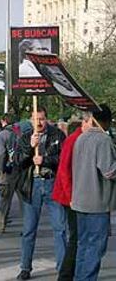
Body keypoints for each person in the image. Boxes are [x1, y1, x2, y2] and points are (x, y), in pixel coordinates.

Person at [16, 107, 67, 280]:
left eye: (42, 119)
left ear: (47, 119)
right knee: (29, 229)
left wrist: (45, 160)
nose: (39, 122)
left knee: (60, 228)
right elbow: (17, 162)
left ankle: (63, 269)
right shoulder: (25, 137)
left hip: (52, 183)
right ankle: (25, 267)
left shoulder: (58, 135)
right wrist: (30, 148)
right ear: (30, 120)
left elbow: (64, 159)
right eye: (35, 119)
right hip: (33, 184)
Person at [71, 105, 116, 281]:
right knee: (95, 248)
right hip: (96, 202)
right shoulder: (103, 140)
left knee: (83, 245)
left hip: (80, 199)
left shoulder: (81, 138)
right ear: (106, 121)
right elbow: (109, 171)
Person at [52, 115, 89, 281]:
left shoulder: (82, 138)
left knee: (79, 236)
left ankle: (71, 273)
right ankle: (66, 275)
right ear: (85, 122)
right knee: (76, 237)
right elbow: (64, 170)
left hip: (77, 194)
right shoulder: (74, 140)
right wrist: (71, 196)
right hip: (71, 196)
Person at [0, 114, 24, 233]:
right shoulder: (21, 133)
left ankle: (0, 225)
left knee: (5, 200)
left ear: (4, 121)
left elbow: (0, 154)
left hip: (8, 170)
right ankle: (28, 226)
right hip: (21, 169)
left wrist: (1, 170)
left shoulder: (2, 135)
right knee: (24, 201)